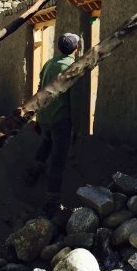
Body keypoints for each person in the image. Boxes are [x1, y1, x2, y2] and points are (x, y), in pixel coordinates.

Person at [25, 32, 82, 212]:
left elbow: (40, 88)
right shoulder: (72, 67)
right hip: (60, 118)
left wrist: (37, 116)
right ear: (76, 48)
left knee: (47, 141)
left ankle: (34, 170)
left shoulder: (49, 63)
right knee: (58, 159)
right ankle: (52, 201)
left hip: (46, 116)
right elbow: (75, 99)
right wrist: (77, 128)